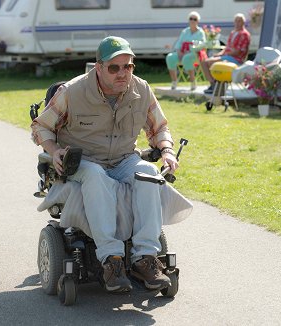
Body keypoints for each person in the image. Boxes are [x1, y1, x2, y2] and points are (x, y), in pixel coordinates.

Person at [31, 36, 178, 293]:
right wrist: (54, 150)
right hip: (84, 160)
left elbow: (159, 127)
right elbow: (41, 127)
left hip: (123, 158)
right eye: (114, 67)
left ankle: (144, 258)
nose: (123, 73)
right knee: (96, 175)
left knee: (149, 172)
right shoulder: (73, 92)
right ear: (98, 67)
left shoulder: (141, 90)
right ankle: (112, 260)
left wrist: (166, 150)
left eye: (128, 66)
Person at [201, 13, 251, 94]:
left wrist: (223, 55)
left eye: (240, 21)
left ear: (243, 22)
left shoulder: (244, 34)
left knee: (209, 62)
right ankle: (213, 84)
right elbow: (227, 48)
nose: (238, 23)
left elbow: (238, 52)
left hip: (236, 59)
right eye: (236, 21)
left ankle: (215, 86)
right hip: (227, 57)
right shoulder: (233, 32)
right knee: (204, 62)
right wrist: (219, 54)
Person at [165, 11, 206, 91]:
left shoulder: (200, 32)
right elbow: (179, 43)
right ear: (188, 20)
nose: (193, 21)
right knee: (170, 57)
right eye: (191, 19)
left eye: (195, 19)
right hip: (182, 53)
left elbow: (203, 44)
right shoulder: (185, 31)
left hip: (194, 54)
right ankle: (174, 81)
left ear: (198, 21)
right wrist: (179, 51)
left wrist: (192, 48)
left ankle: (193, 82)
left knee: (187, 58)